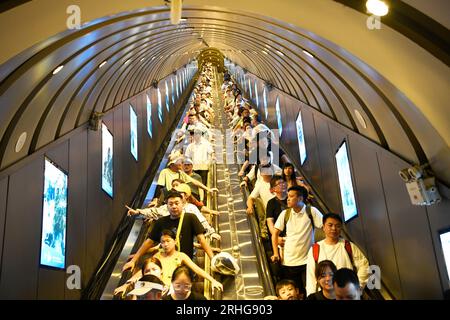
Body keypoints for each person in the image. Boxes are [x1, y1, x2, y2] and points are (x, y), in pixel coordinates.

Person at [122, 191, 216, 273]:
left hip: (185, 263)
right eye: (170, 204)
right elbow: (149, 242)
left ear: (182, 204)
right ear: (166, 206)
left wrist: (212, 259)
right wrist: (134, 260)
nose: (174, 206)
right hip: (166, 263)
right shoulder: (161, 222)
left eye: (176, 203)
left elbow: (202, 240)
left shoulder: (190, 218)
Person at [270, 185, 323, 292]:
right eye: (288, 196)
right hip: (288, 262)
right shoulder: (285, 213)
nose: (288, 199)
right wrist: (276, 253)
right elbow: (275, 233)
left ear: (300, 198)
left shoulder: (311, 211)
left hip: (307, 261)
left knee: (311, 291)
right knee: (294, 293)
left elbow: (325, 227)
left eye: (291, 196)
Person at [305, 213, 369, 296]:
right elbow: (311, 276)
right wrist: (312, 296)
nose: (334, 228)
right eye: (330, 225)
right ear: (323, 227)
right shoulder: (315, 249)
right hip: (325, 295)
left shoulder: (348, 246)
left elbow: (364, 265)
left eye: (338, 226)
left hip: (346, 293)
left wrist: (357, 286)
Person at [154, 229, 223, 291]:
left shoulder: (181, 256)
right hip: (158, 289)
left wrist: (213, 280)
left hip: (173, 291)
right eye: (163, 242)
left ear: (175, 241)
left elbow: (197, 269)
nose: (165, 244)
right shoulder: (157, 256)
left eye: (168, 241)